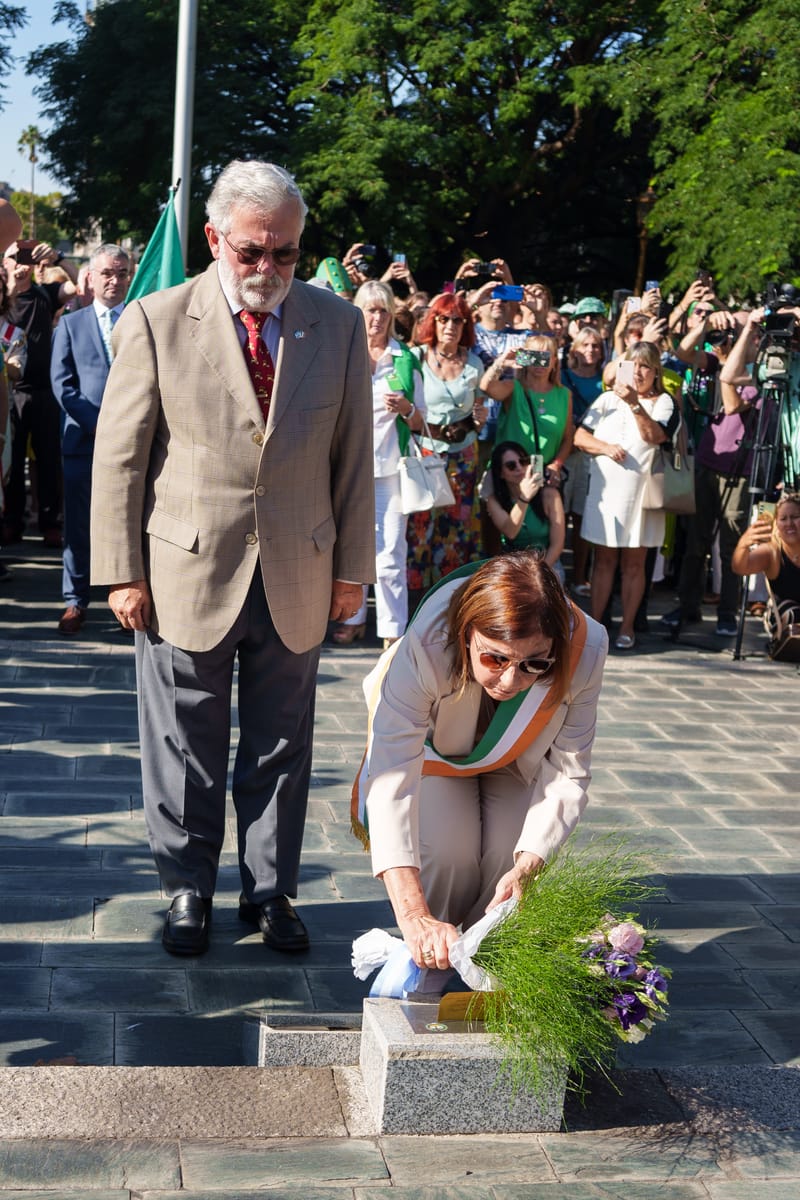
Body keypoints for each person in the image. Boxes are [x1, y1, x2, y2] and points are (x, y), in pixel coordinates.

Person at [90, 159, 375, 957]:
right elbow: (122, 459)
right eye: (252, 252)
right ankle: (186, 889)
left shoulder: (338, 323)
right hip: (184, 569)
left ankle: (270, 891)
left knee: (283, 743)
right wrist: (122, 572)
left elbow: (353, 456)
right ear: (215, 239)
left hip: (300, 568)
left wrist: (352, 569)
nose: (269, 270)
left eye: (284, 253)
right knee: (186, 742)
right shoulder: (154, 319)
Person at [353, 552, 607, 969]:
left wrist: (529, 866)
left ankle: (487, 966)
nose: (510, 681)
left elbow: (568, 771)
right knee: (448, 851)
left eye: (534, 663)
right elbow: (391, 771)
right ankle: (431, 962)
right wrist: (414, 914)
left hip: (517, 760)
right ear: (468, 633)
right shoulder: (430, 639)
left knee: (509, 854)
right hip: (437, 755)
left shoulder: (587, 649)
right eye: (495, 658)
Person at [331, 279, 425, 646]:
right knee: (348, 549)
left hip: (390, 471)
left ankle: (391, 630)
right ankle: (352, 618)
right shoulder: (344, 352)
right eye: (370, 309)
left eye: (383, 310)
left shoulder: (404, 358)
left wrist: (406, 408)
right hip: (347, 470)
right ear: (359, 312)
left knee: (389, 555)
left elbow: (422, 420)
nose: (377, 317)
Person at [574, 340, 676, 650]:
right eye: (635, 365)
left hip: (642, 495)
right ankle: (595, 626)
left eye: (646, 366)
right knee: (603, 561)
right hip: (606, 495)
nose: (640, 372)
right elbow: (579, 436)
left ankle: (627, 627)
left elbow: (654, 436)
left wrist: (634, 403)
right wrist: (604, 447)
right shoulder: (606, 399)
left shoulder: (663, 402)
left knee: (634, 563)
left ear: (655, 371)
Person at [51, 244, 131, 635]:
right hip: (84, 441)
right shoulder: (71, 323)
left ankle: (127, 599)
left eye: (121, 274)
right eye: (107, 274)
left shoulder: (140, 320)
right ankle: (75, 601)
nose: (114, 281)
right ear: (91, 276)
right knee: (79, 525)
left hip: (134, 445)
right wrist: (98, 425)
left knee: (128, 522)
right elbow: (62, 385)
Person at [406, 292, 488, 598]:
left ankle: (451, 597)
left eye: (457, 319)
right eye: (443, 318)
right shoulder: (415, 357)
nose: (450, 325)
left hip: (462, 454)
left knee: (457, 529)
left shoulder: (475, 363)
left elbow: (478, 413)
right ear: (433, 322)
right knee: (420, 526)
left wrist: (479, 418)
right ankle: (416, 601)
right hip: (425, 451)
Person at [2, 239, 78, 546]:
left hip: (45, 390)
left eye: (25, 258)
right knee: (12, 462)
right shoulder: (3, 301)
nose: (20, 264)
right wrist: (10, 287)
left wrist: (58, 257)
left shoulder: (44, 295)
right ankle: (11, 522)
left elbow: (79, 285)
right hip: (10, 391)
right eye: (13, 257)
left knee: (48, 460)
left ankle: (50, 523)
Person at [480, 334, 572, 576]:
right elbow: (486, 387)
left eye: (546, 356)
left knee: (542, 531)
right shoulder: (515, 388)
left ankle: (537, 576)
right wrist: (502, 362)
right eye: (534, 356)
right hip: (508, 474)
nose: (540, 363)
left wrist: (557, 464)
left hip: (542, 475)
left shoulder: (564, 395)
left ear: (554, 361)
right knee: (500, 536)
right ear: (525, 358)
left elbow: (567, 438)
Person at [560, 326, 606, 595]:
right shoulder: (563, 377)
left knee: (582, 517)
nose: (590, 350)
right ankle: (559, 575)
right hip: (565, 452)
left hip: (592, 455)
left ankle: (580, 576)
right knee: (559, 514)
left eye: (596, 345)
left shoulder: (606, 379)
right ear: (575, 348)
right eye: (585, 345)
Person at [484, 441, 563, 564]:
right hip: (513, 564)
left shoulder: (550, 495)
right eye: (511, 465)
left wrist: (541, 572)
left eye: (523, 461)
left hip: (547, 563)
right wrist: (524, 497)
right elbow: (511, 532)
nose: (519, 468)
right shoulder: (494, 501)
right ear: (500, 473)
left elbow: (557, 545)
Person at [732, 492, 800, 633]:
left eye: (795, 517)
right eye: (783, 519)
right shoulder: (772, 551)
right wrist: (743, 545)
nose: (789, 523)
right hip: (786, 619)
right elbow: (740, 567)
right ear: (776, 523)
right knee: (793, 615)